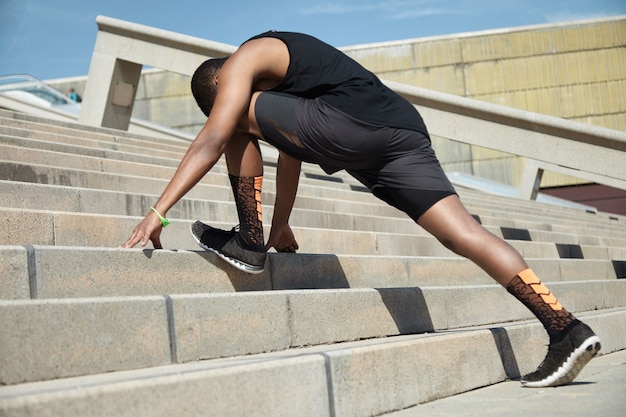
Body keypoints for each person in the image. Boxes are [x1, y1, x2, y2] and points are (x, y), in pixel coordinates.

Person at [120, 31, 601, 388]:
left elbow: (215, 136)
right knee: (462, 234)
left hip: (353, 126)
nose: (231, 108)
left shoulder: (249, 56)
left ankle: (247, 240)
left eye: (226, 99)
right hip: (401, 134)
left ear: (224, 80)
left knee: (231, 127)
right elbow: (292, 154)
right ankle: (564, 328)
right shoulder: (289, 92)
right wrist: (281, 221)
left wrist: (158, 212)